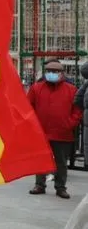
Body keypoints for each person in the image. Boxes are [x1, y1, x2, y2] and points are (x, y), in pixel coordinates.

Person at [28, 60, 82, 199]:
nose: (52, 73)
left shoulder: (71, 89)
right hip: (41, 132)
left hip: (62, 133)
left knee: (61, 162)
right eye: (49, 71)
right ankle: (39, 184)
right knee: (41, 159)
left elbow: (77, 110)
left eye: (55, 71)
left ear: (61, 73)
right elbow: (28, 107)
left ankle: (61, 187)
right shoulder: (36, 88)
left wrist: (70, 123)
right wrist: (34, 124)